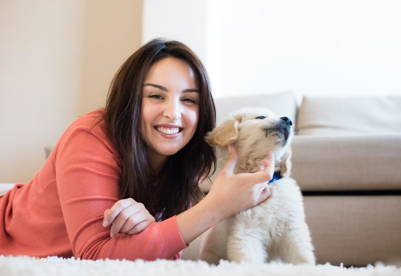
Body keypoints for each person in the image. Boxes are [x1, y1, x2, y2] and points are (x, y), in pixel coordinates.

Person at [0, 39, 273, 261]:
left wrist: (151, 228)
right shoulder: (91, 134)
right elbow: (95, 255)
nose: (173, 113)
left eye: (189, 100)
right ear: (131, 101)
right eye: (156, 96)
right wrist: (215, 207)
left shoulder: (184, 159)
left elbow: (155, 253)